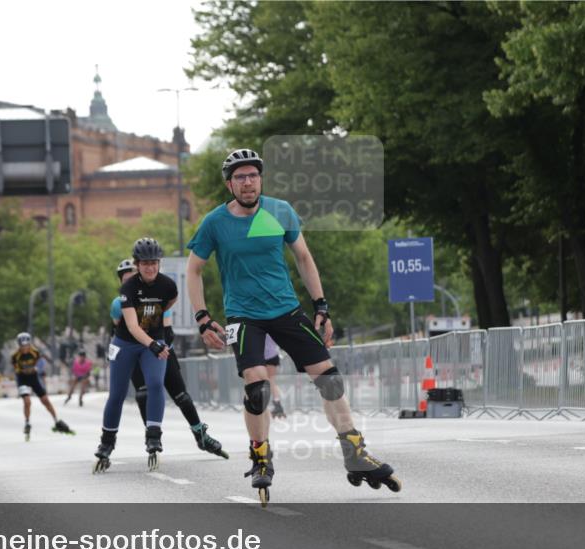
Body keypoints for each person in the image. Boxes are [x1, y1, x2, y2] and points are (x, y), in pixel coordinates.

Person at [186, 148, 400, 505]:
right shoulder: (215, 223)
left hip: (285, 308)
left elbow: (303, 257)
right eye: (240, 177)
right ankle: (260, 456)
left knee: (329, 378)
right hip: (243, 314)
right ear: (230, 183)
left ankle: (355, 452)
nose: (248, 181)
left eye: (253, 175)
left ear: (260, 178)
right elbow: (194, 270)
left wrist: (321, 307)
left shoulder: (280, 210)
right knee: (257, 385)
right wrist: (202, 317)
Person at [117, 259, 228, 460]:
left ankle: (200, 434)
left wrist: (162, 348)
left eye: (132, 276)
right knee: (143, 394)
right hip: (136, 352)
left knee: (181, 396)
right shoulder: (120, 304)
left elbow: (167, 329)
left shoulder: (158, 295)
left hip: (160, 349)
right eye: (126, 279)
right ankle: (152, 436)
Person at [93, 240, 176, 473]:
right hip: (126, 342)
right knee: (117, 394)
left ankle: (153, 436)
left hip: (153, 340)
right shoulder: (127, 289)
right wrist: (153, 344)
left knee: (156, 384)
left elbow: (167, 307)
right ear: (137, 265)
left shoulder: (169, 286)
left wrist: (159, 339)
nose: (150, 268)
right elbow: (131, 326)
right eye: (145, 264)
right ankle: (107, 443)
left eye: (154, 263)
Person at [11, 332, 73, 440]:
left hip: (33, 378)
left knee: (45, 400)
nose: (25, 348)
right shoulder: (15, 356)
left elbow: (40, 364)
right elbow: (17, 370)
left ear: (29, 344)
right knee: (27, 401)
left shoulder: (35, 352)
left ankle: (56, 421)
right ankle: (27, 422)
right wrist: (26, 370)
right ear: (19, 346)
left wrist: (38, 370)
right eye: (22, 346)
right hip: (22, 378)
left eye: (26, 346)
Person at [264, 335, 287, 419]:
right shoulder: (272, 326)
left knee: (264, 381)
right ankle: (277, 404)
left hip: (263, 356)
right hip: (273, 355)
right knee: (271, 381)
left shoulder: (257, 326)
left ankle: (263, 405)